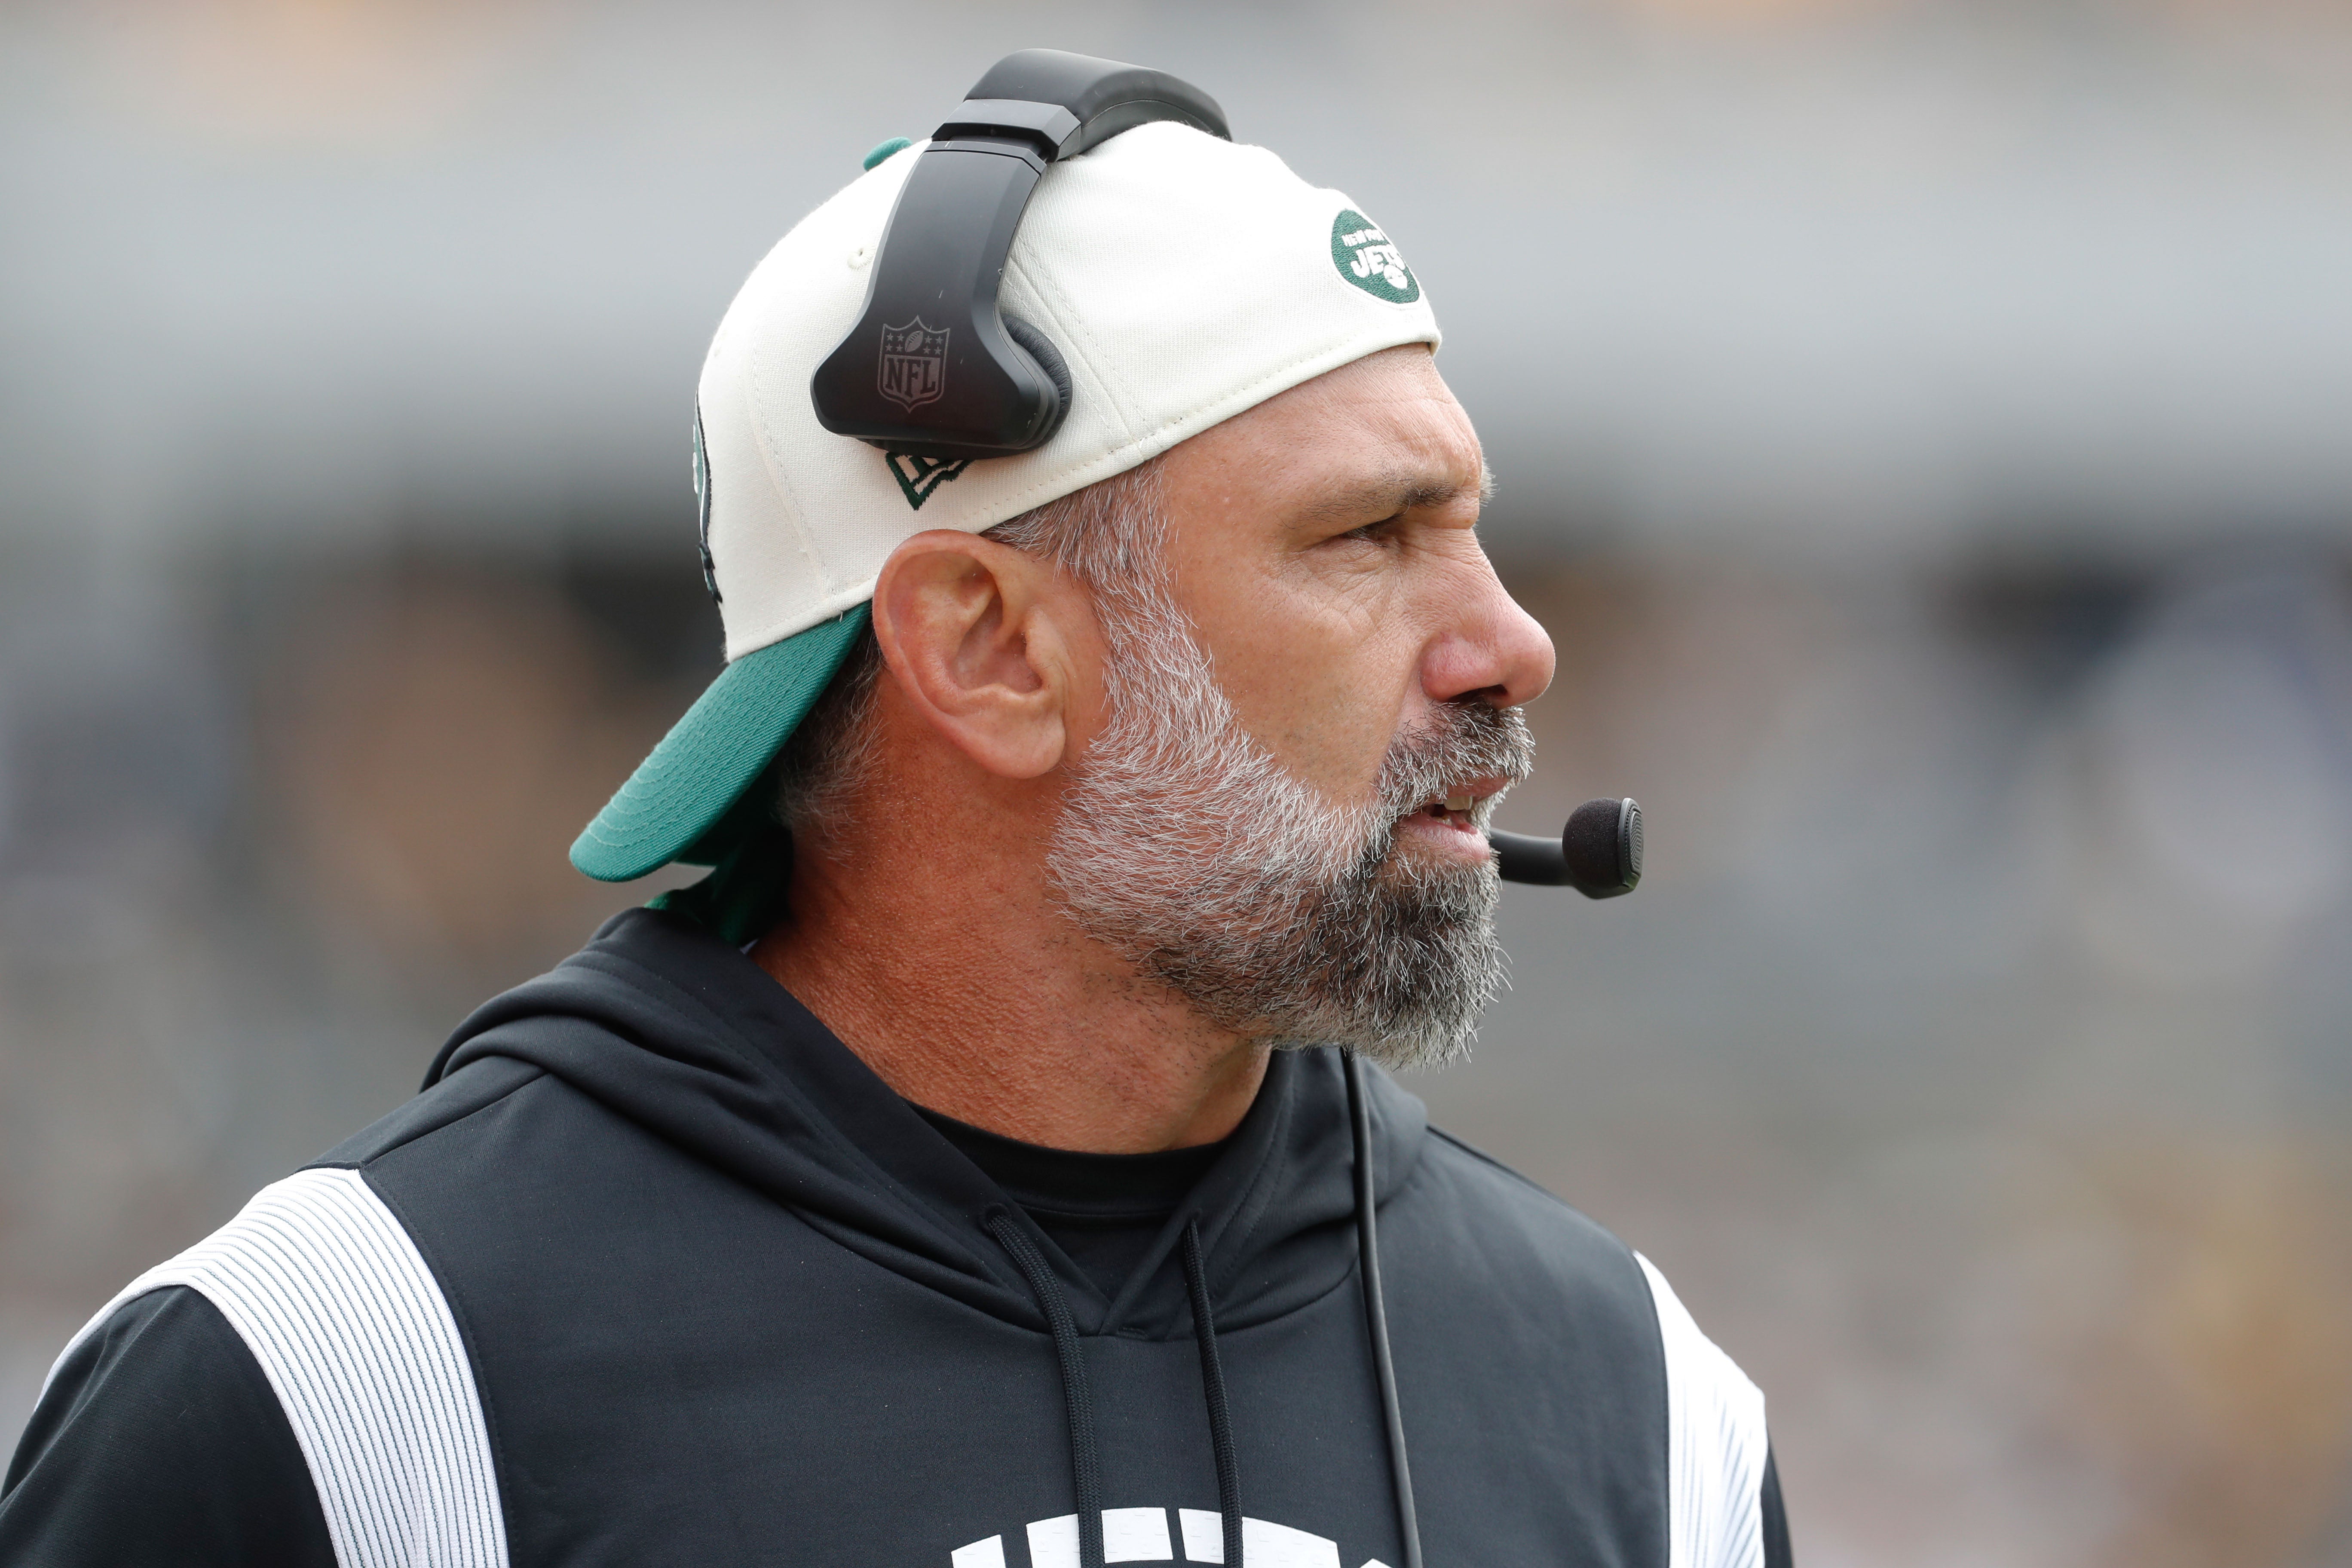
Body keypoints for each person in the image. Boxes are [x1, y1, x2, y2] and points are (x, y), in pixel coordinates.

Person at [0, 52, 1791, 1568]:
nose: (1510, 644)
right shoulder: (339, 1388)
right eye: (1366, 538)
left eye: (1472, 529)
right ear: (988, 650)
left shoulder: (1641, 1405)